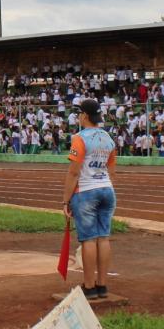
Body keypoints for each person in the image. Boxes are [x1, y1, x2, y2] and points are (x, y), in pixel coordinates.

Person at [61, 99, 117, 300]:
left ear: (84, 115)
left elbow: (74, 171)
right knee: (103, 237)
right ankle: (102, 285)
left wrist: (65, 200)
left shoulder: (79, 138)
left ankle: (89, 285)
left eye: (79, 114)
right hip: (107, 189)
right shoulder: (108, 137)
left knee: (88, 239)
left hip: (86, 191)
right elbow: (111, 169)